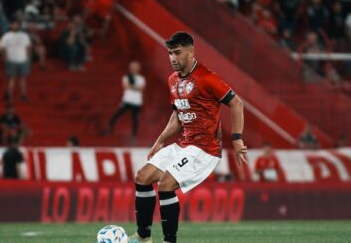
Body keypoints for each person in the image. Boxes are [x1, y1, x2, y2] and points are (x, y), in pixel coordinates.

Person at [128, 32, 247, 243]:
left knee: (166, 184)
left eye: (177, 53)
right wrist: (161, 140)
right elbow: (178, 115)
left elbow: (237, 103)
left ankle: (169, 241)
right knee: (142, 177)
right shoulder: (172, 80)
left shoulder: (207, 78)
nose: (173, 58)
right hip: (184, 143)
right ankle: (143, 236)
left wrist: (237, 138)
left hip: (204, 149)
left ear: (191, 51)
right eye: (169, 53)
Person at [102, 61, 146, 137]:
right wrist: (136, 87)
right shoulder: (126, 77)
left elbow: (141, 89)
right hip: (127, 100)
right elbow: (126, 86)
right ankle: (109, 127)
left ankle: (134, 135)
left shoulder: (141, 78)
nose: (134, 69)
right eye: (133, 67)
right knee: (117, 114)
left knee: (135, 119)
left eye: (135, 67)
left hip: (137, 102)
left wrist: (131, 87)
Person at [0, 20, 32, 101]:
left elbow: (28, 48)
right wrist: (4, 58)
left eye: (16, 24)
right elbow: (3, 48)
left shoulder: (24, 36)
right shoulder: (7, 35)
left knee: (22, 78)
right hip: (11, 59)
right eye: (14, 24)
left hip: (23, 59)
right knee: (11, 78)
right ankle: (9, 95)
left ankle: (23, 95)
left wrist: (28, 58)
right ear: (11, 25)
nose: (15, 25)